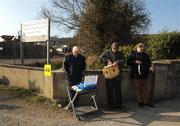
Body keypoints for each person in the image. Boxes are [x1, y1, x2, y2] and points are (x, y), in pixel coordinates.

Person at [100, 42, 126, 111]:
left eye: (116, 50)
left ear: (117, 48)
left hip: (117, 74)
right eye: (114, 49)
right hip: (108, 74)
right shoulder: (106, 52)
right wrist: (107, 61)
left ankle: (119, 105)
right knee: (109, 90)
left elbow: (124, 61)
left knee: (118, 90)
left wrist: (118, 62)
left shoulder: (120, 53)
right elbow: (101, 58)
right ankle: (111, 106)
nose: (115, 51)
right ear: (111, 47)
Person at [127, 43, 154, 108]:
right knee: (137, 89)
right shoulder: (132, 54)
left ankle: (147, 102)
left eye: (143, 49)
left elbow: (149, 62)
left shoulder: (145, 55)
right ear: (137, 48)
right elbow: (128, 62)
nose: (142, 50)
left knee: (145, 89)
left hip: (144, 75)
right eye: (140, 49)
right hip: (135, 75)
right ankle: (140, 102)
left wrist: (151, 67)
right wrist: (135, 62)